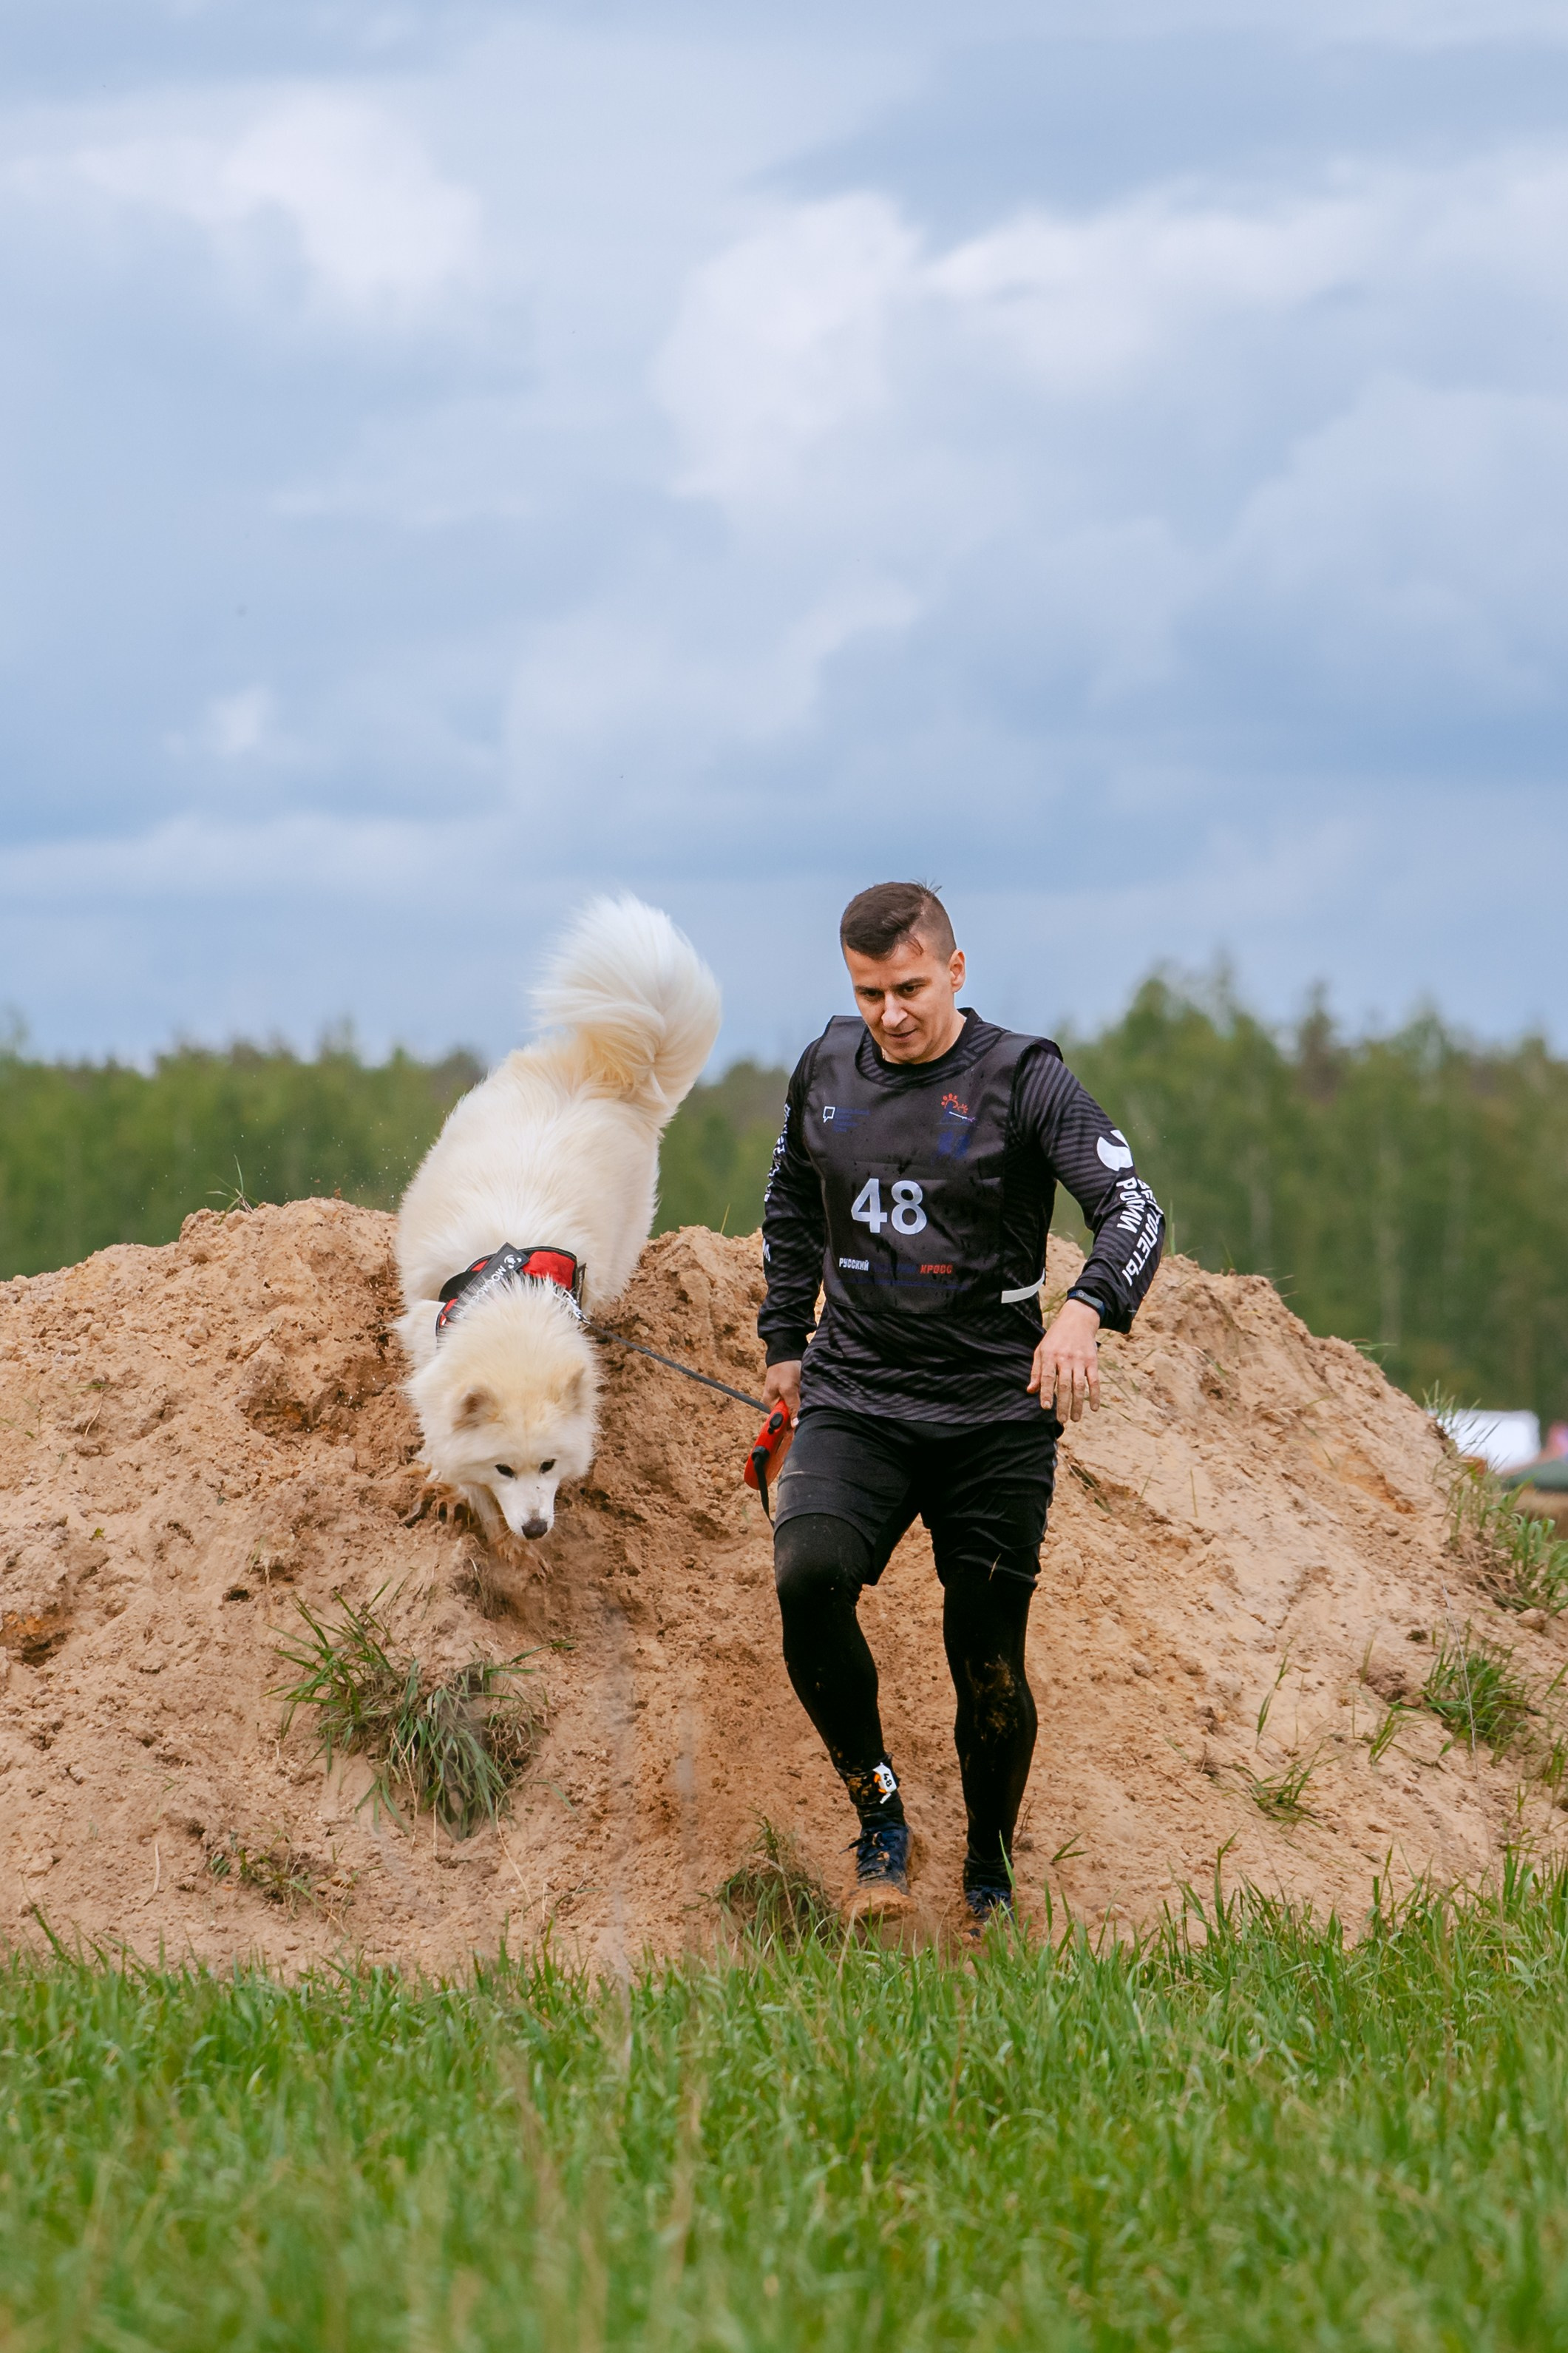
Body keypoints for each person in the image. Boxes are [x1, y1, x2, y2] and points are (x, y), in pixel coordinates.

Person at [758, 881, 1164, 1937]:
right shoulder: (825, 1066)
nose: (889, 1014)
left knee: (983, 1654)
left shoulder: (1023, 1078)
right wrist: (781, 1345)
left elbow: (1133, 1207)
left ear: (954, 969)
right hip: (856, 1393)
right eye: (867, 993)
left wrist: (1083, 1311)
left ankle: (987, 1867)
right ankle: (880, 1818)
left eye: (907, 988)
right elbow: (791, 1205)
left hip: (992, 1409)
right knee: (808, 1579)